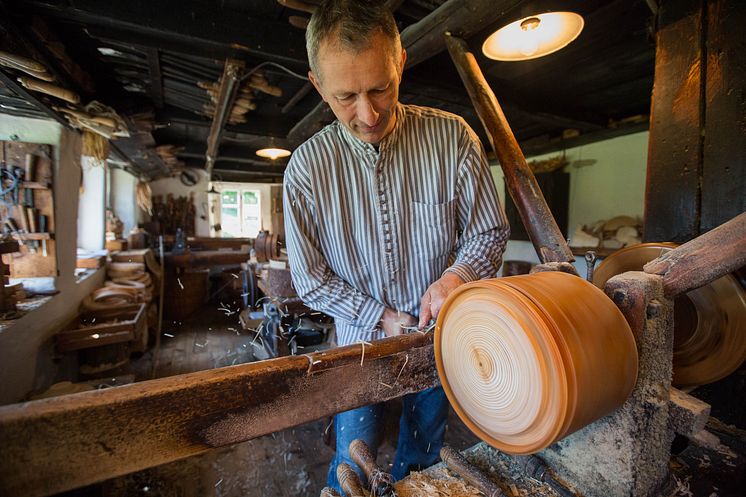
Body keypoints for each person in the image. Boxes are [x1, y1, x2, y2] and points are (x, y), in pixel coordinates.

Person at [283, 0, 510, 492]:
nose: (367, 114)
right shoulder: (304, 170)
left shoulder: (453, 140)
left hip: (434, 342)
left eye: (380, 88)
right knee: (353, 456)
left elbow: (488, 233)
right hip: (357, 346)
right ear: (317, 85)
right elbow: (309, 279)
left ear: (401, 62)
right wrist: (380, 315)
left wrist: (456, 277)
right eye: (346, 97)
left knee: (425, 455)